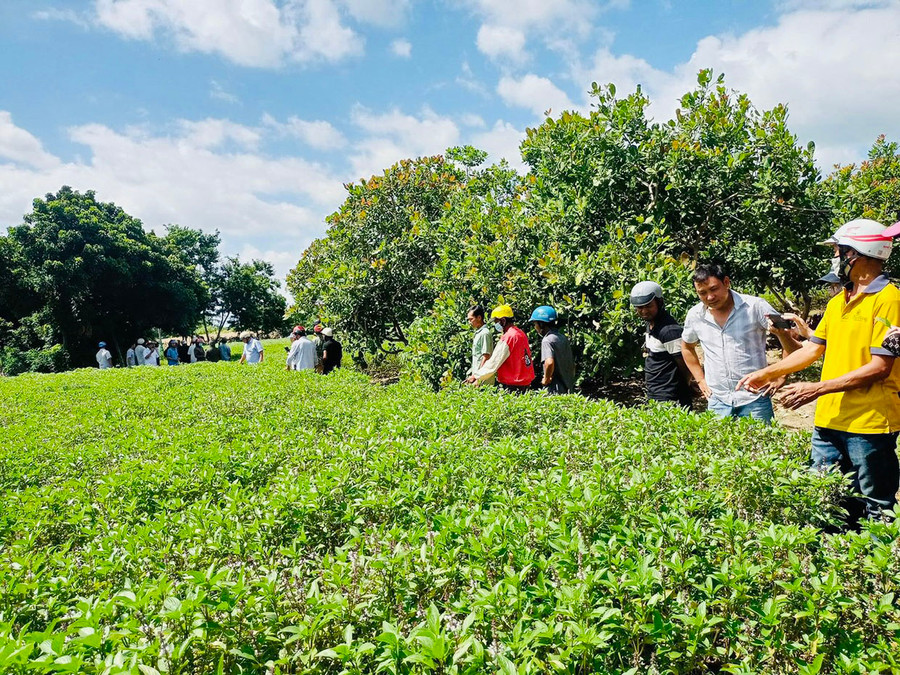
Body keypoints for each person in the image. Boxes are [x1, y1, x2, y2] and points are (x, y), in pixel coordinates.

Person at [738, 219, 900, 526]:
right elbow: (814, 348)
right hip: (828, 421)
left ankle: (876, 569)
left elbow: (880, 367)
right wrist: (766, 373)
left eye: (839, 250)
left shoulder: (890, 298)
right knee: (825, 499)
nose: (835, 257)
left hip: (870, 423)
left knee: (875, 506)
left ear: (858, 253)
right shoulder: (839, 301)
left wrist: (816, 388)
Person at [681, 264, 795, 423]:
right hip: (717, 400)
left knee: (760, 447)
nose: (710, 297)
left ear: (726, 282)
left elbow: (788, 339)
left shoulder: (755, 307)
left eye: (714, 289)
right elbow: (687, 347)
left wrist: (781, 375)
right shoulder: (695, 315)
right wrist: (700, 379)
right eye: (702, 293)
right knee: (719, 447)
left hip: (755, 399)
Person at [629, 281, 693, 408]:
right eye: (639, 307)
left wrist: (686, 386)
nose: (643, 311)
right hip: (656, 393)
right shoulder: (651, 322)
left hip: (670, 396)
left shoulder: (669, 331)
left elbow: (684, 362)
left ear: (660, 302)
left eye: (648, 306)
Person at [466, 304, 535, 393]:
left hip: (513, 384)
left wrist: (476, 376)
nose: (495, 325)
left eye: (496, 321)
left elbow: (494, 362)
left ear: (503, 320)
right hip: (525, 382)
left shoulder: (508, 337)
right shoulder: (520, 333)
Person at [530, 305, 576, 394]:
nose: (535, 327)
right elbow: (572, 365)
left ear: (541, 324)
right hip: (568, 388)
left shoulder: (547, 340)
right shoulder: (563, 338)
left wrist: (546, 379)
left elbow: (549, 362)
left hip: (555, 389)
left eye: (535, 324)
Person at [466, 305, 494, 380]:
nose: (469, 322)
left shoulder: (484, 333)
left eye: (471, 319)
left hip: (482, 378)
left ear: (479, 318)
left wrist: (478, 377)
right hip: (477, 376)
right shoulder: (479, 333)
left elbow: (486, 356)